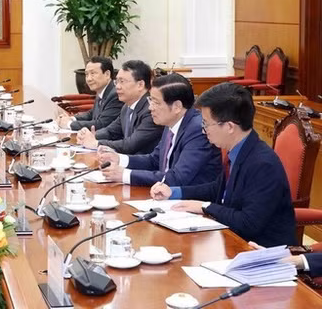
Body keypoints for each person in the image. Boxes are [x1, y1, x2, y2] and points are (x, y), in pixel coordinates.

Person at [151, 83, 296, 247]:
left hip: (261, 253)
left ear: (229, 127)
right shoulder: (238, 150)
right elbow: (218, 190)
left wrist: (205, 207)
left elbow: (248, 223)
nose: (203, 130)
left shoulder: (263, 164)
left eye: (206, 124)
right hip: (232, 240)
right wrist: (174, 192)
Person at [99, 73, 221, 186]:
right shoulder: (171, 122)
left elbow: (177, 178)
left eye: (156, 102)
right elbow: (154, 160)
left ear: (177, 106)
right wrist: (119, 158)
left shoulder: (197, 130)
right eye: (150, 100)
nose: (150, 108)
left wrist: (125, 175)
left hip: (190, 201)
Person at [76, 60, 161, 155]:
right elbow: (111, 131)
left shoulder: (151, 110)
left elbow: (130, 145)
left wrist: (96, 143)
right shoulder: (127, 107)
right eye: (117, 82)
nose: (117, 87)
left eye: (122, 82)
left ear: (140, 85)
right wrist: (91, 136)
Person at [57, 56, 123, 131]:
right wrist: (72, 118)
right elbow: (91, 114)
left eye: (93, 73)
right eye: (86, 74)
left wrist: (69, 124)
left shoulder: (115, 94)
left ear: (107, 74)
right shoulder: (102, 90)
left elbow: (102, 124)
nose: (89, 79)